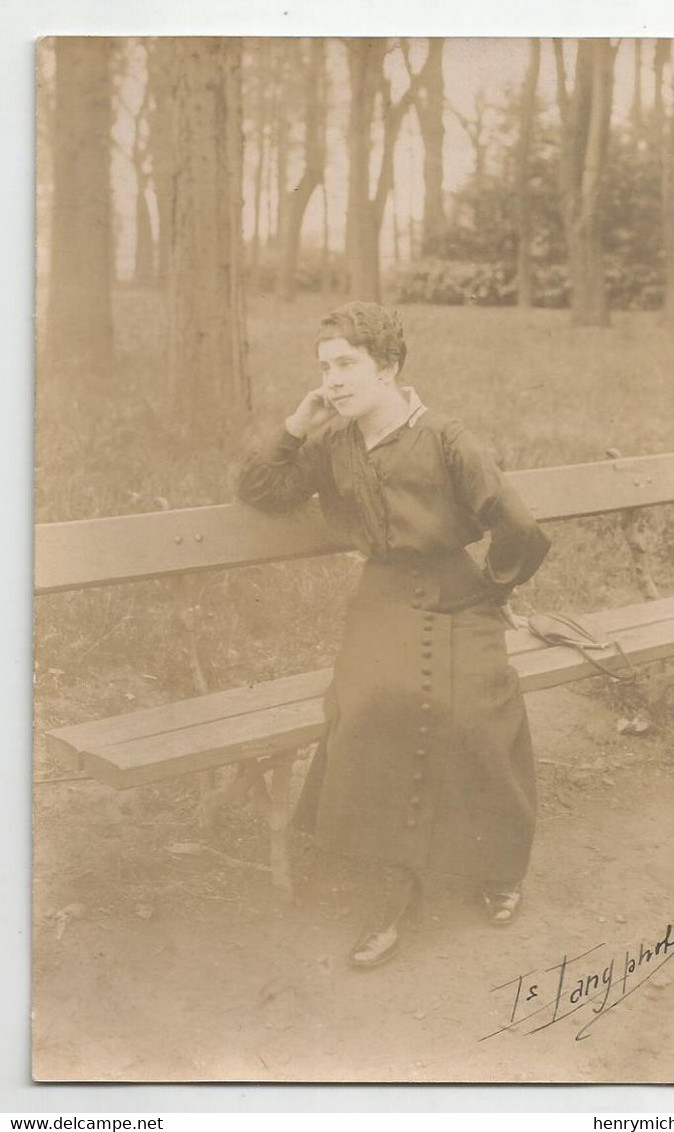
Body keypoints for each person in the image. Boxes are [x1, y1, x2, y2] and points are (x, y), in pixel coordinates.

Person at [237, 302, 550, 969]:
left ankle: (498, 869)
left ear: (390, 367)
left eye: (348, 364)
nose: (334, 380)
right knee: (373, 705)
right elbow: (261, 488)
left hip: (460, 598)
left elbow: (520, 528)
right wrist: (297, 422)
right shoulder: (332, 444)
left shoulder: (446, 438)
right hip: (381, 599)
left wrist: (492, 592)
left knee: (478, 710)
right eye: (325, 367)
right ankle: (390, 887)